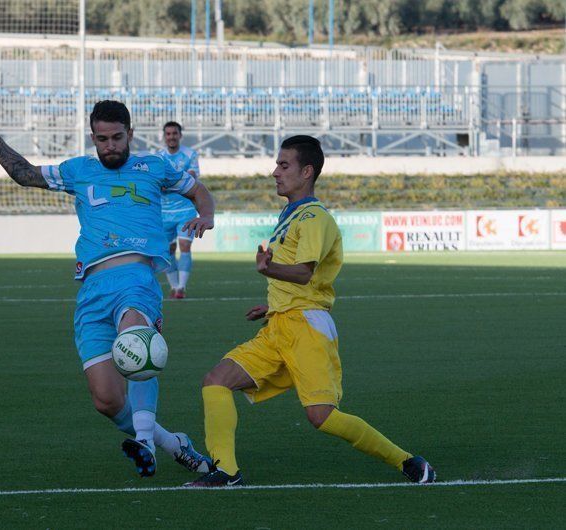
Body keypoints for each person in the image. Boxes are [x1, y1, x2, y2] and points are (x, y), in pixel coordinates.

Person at [0, 93, 215, 478]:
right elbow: (25, 173)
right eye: (101, 139)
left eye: (115, 138)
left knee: (138, 344)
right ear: (92, 137)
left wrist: (205, 216)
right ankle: (174, 444)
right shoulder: (78, 170)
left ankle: (144, 441)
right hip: (92, 291)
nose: (109, 146)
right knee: (108, 401)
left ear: (130, 133)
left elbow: (198, 190)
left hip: (136, 279)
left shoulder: (154, 167)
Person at [185, 135, 435, 487]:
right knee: (216, 381)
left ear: (307, 171)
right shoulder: (290, 216)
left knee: (321, 416)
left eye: (283, 165)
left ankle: (408, 462)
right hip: (280, 325)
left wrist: (268, 270)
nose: (274, 172)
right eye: (276, 164)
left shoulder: (315, 218)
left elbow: (304, 273)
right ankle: (225, 471)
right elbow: (295, 277)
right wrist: (272, 305)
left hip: (307, 328)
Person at [158, 122, 200, 299]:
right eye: (168, 134)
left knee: (184, 246)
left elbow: (192, 177)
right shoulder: (158, 157)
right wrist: (175, 181)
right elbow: (157, 181)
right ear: (164, 136)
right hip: (163, 212)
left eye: (174, 133)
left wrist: (168, 183)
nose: (171, 137)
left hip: (185, 210)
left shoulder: (190, 154)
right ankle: (174, 286)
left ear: (180, 135)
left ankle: (181, 287)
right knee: (168, 250)